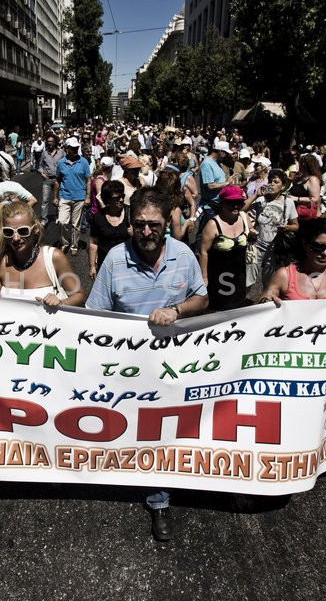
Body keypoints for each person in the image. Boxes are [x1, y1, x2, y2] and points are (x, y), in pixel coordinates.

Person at [85, 187, 208, 541]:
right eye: (139, 225)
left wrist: (176, 310)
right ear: (130, 223)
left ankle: (159, 500)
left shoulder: (183, 256)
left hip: (173, 368)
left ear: (167, 222)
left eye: (154, 225)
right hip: (128, 369)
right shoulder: (114, 260)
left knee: (163, 432)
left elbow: (202, 298)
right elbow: (95, 315)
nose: (147, 232)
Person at [0, 201, 84, 306]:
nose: (16, 238)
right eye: (9, 232)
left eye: (23, 231)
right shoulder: (2, 262)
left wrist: (61, 303)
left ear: (35, 229)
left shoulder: (53, 257)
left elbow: (80, 295)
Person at [259, 218, 326, 307]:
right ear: (305, 244)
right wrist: (267, 299)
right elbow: (266, 296)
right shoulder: (284, 275)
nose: (325, 253)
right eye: (318, 246)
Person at [198, 184, 251, 311]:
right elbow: (203, 252)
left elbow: (250, 231)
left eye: (238, 202)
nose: (235, 206)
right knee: (220, 308)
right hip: (219, 276)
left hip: (239, 274)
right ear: (222, 203)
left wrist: (253, 233)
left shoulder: (244, 218)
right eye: (231, 203)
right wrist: (204, 278)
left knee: (238, 305)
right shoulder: (213, 225)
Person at [247, 169, 298, 287]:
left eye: (276, 182)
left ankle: (264, 303)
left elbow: (296, 226)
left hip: (274, 248)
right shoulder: (261, 199)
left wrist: (286, 227)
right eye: (270, 181)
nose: (272, 184)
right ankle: (245, 303)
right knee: (248, 280)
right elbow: (242, 210)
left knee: (269, 281)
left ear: (283, 186)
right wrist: (255, 195)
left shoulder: (288, 202)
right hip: (256, 245)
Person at [54, 136, 91, 256]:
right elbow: (57, 180)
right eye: (73, 148)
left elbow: (88, 180)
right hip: (64, 196)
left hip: (79, 197)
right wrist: (55, 196)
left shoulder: (83, 162)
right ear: (67, 148)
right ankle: (65, 243)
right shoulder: (61, 163)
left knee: (76, 224)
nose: (75, 150)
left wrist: (88, 196)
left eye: (77, 147)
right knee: (62, 222)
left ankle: (74, 245)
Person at [87, 180, 131, 279]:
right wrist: (92, 266)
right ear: (107, 200)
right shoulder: (98, 218)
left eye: (122, 196)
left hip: (126, 266)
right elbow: (93, 243)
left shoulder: (130, 214)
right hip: (105, 265)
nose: (121, 200)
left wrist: (134, 234)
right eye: (117, 198)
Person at [0, 159, 37, 226]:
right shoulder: (13, 185)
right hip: (14, 227)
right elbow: (33, 200)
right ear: (0, 171)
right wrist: (20, 213)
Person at [37, 134, 65, 225]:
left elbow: (65, 164)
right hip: (47, 179)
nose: (50, 143)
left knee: (59, 200)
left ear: (55, 142)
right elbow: (40, 165)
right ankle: (44, 219)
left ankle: (58, 217)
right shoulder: (44, 153)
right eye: (48, 141)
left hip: (58, 180)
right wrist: (42, 173)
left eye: (51, 141)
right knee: (45, 200)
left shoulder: (61, 152)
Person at [289, 155, 322, 221]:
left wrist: (296, 198)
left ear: (304, 165)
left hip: (303, 215)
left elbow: (315, 198)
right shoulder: (300, 177)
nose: (298, 165)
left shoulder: (313, 179)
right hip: (293, 212)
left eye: (300, 163)